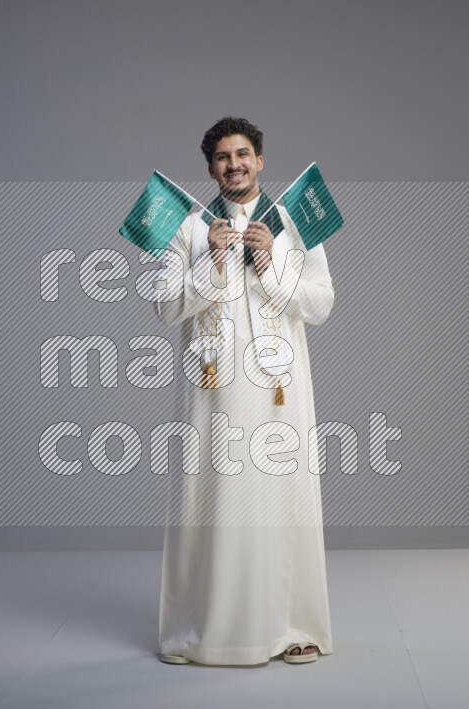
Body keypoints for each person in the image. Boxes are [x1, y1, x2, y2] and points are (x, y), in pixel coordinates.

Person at [153, 117, 335, 665]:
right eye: (223, 157)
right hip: (213, 392)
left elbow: (322, 304)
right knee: (208, 500)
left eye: (244, 154)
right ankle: (195, 630)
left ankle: (293, 627)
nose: (234, 164)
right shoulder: (188, 227)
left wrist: (270, 262)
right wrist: (211, 259)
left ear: (260, 161)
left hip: (279, 390)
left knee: (283, 498)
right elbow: (164, 307)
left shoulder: (290, 222)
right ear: (211, 168)